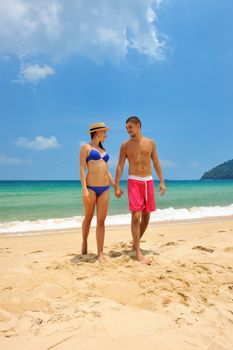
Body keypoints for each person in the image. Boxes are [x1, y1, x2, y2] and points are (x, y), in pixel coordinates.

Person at [115, 116, 166, 265]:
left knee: (146, 217)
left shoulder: (150, 143)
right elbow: (119, 165)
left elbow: (156, 162)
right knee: (135, 217)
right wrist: (117, 186)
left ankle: (134, 243)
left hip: (148, 181)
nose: (128, 130)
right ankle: (138, 252)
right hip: (134, 181)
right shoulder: (125, 145)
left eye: (130, 127)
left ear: (138, 125)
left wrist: (162, 181)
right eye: (126, 128)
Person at [79, 122, 115, 263]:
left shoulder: (103, 151)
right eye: (104, 131)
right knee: (88, 218)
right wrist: (84, 188)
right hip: (91, 188)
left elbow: (107, 171)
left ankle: (100, 253)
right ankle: (84, 242)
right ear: (97, 132)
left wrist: (115, 186)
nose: (106, 134)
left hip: (105, 188)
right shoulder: (86, 147)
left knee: (101, 221)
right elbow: (82, 168)